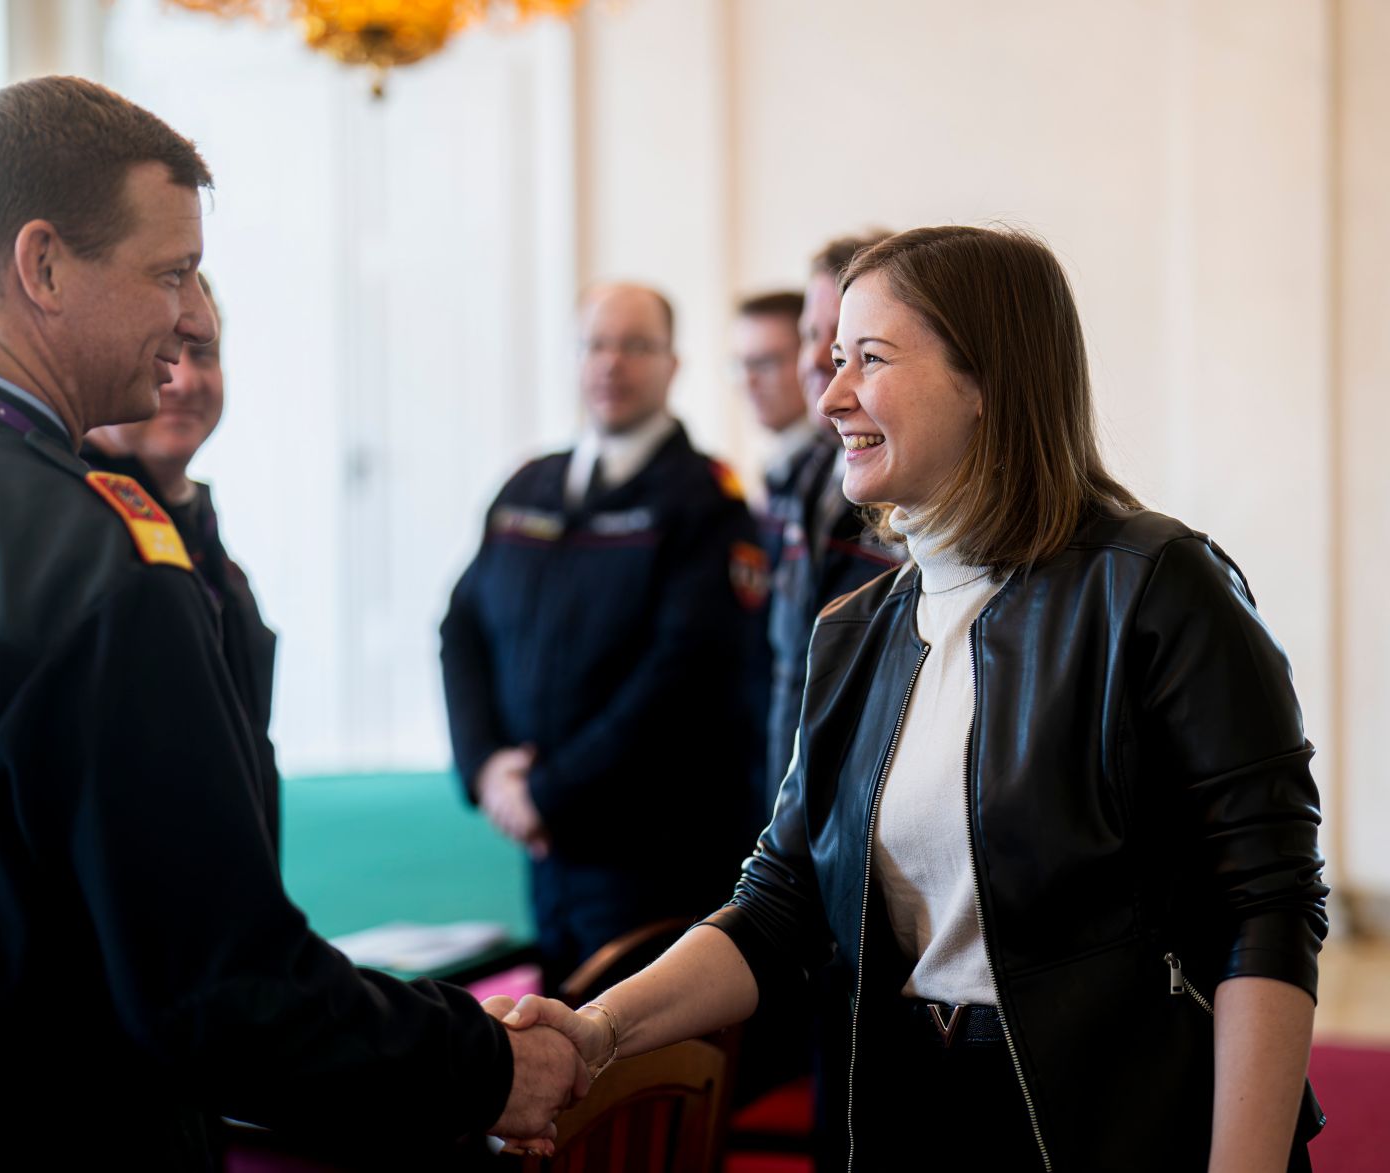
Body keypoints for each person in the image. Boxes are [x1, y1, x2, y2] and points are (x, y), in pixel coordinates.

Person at [0, 76, 587, 1170]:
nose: (188, 316)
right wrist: (488, 1067)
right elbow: (220, 992)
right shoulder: (96, 562)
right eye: (168, 272)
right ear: (41, 266)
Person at [490, 227, 1328, 1172]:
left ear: (986, 382)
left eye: (871, 359)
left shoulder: (1155, 584)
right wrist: (596, 1029)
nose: (832, 394)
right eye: (835, 358)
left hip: (1118, 1119)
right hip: (911, 1114)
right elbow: (780, 904)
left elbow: (1267, 906)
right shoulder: (857, 630)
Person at [440, 282, 770, 992]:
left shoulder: (706, 502)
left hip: (654, 860)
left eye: (635, 345)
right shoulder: (528, 487)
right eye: (595, 343)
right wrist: (488, 768)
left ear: (672, 365)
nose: (610, 363)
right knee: (561, 1072)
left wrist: (546, 791)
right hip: (546, 851)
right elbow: (460, 627)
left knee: (641, 1077)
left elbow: (683, 678)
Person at [83, 275, 281, 854]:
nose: (188, 380)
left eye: (207, 354)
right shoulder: (79, 533)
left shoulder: (199, 532)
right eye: (167, 351)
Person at [749, 235, 903, 806]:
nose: (818, 360)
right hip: (789, 810)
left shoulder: (917, 497)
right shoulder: (799, 482)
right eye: (813, 335)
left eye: (848, 343)